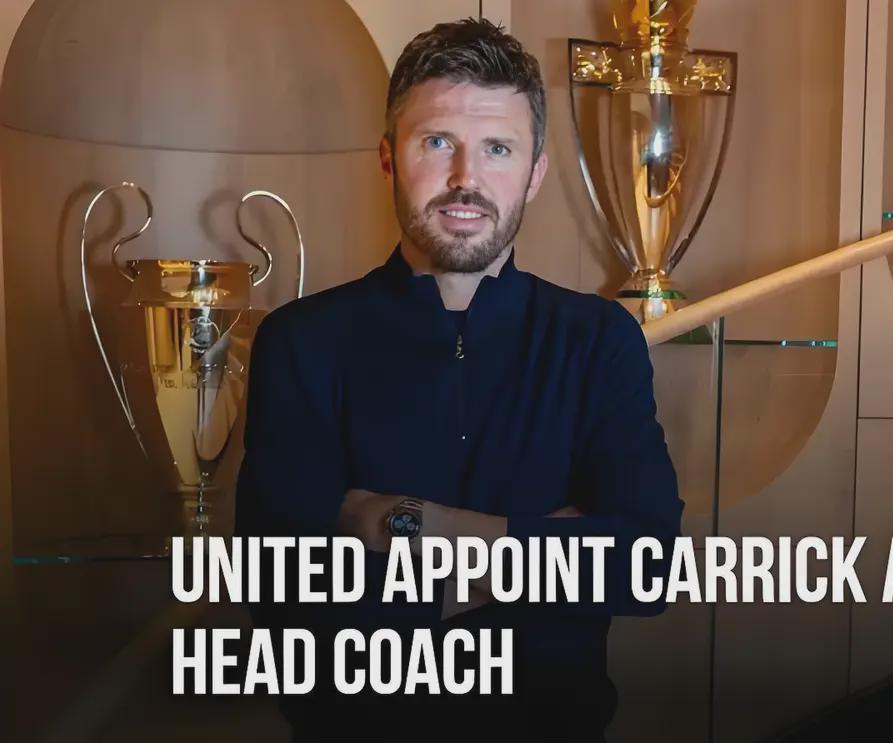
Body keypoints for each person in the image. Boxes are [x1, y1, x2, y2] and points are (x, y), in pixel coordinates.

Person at [234, 17, 683, 741]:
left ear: (535, 172)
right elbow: (286, 599)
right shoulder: (302, 341)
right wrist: (547, 555)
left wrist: (415, 524)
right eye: (437, 142)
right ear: (389, 157)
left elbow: (647, 565)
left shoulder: (598, 340)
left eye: (497, 148)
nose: (465, 178)